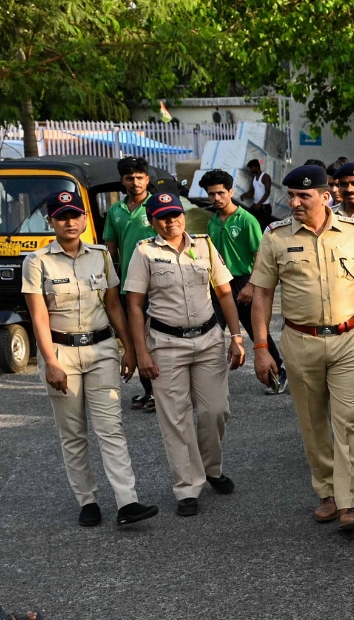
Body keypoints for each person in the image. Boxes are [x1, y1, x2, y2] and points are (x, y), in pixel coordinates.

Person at [249, 164, 354, 532]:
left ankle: (348, 503)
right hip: (300, 340)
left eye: (303, 196)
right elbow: (261, 295)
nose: (294, 202)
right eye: (291, 195)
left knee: (349, 422)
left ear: (326, 197)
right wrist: (261, 348)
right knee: (313, 423)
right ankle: (326, 492)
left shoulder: (353, 233)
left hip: (350, 338)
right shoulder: (276, 237)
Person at [21, 190, 158, 528]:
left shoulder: (100, 256)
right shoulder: (37, 261)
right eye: (62, 216)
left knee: (111, 428)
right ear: (50, 221)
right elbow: (38, 317)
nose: (70, 222)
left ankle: (127, 502)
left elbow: (114, 305)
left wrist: (127, 346)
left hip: (101, 351)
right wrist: (50, 362)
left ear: (85, 220)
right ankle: (88, 500)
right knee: (73, 432)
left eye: (75, 215)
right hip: (61, 353)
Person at [123, 191, 247, 517]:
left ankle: (212, 469)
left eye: (176, 214)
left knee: (215, 411)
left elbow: (224, 293)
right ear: (152, 221)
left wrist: (236, 336)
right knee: (176, 420)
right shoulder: (144, 252)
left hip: (208, 340)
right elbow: (134, 305)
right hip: (165, 345)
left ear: (184, 215)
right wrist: (140, 353)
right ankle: (187, 486)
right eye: (163, 217)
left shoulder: (204, 245)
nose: (171, 221)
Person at [205, 170, 286, 395]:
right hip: (219, 284)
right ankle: (206, 381)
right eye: (211, 194)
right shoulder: (212, 222)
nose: (216, 198)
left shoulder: (247, 219)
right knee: (211, 330)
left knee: (256, 331)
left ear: (231, 192)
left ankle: (278, 371)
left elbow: (260, 256)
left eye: (221, 193)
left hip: (244, 280)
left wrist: (251, 285)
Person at [103, 156, 158, 412]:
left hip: (158, 284)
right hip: (129, 285)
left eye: (139, 177)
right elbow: (109, 251)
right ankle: (149, 390)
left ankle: (162, 391)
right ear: (122, 181)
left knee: (157, 337)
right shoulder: (115, 211)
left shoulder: (157, 206)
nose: (135, 182)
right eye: (129, 178)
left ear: (147, 179)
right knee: (138, 339)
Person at [244, 159, 275, 227]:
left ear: (257, 167)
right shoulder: (254, 178)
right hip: (256, 206)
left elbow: (267, 192)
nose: (250, 170)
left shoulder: (265, 177)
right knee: (249, 222)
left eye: (251, 168)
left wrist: (259, 204)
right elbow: (251, 192)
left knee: (263, 227)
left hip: (264, 207)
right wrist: (244, 195)